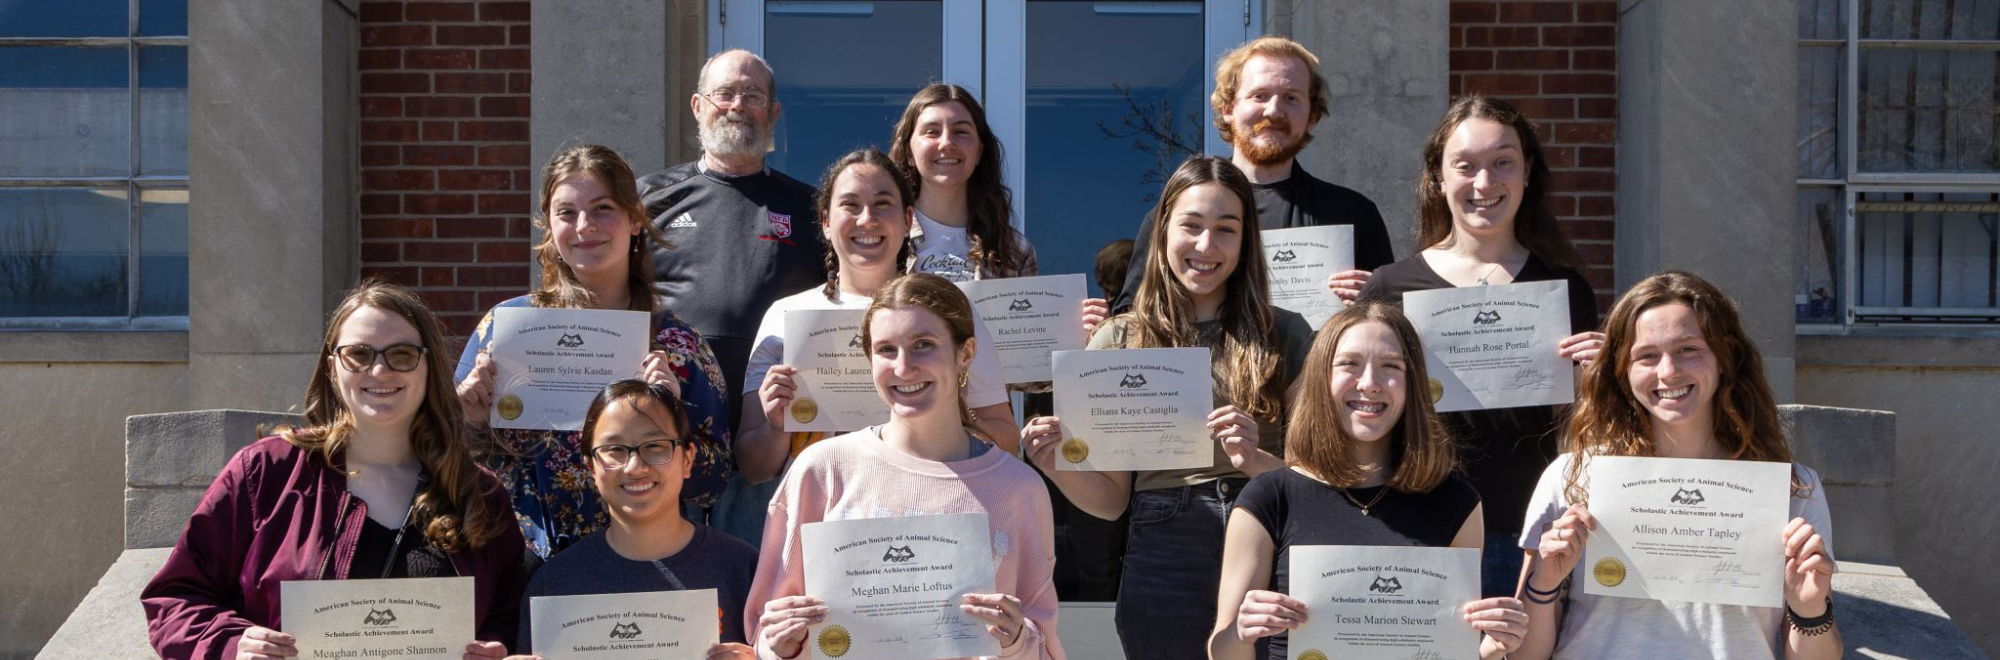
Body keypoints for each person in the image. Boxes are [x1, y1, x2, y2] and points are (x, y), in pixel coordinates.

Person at [1021, 156, 1315, 660]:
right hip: (1165, 546)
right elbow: (1111, 501)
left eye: (1226, 229)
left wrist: (1257, 464)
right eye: (1192, 226)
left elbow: (1322, 483)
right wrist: (1055, 466)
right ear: (1162, 233)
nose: (1206, 246)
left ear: (1246, 241)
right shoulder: (1117, 339)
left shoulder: (1286, 332)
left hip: (1269, 534)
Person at [142, 281, 528, 660]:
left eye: (403, 354)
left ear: (429, 367)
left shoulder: (479, 493)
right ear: (332, 367)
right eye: (358, 354)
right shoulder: (267, 473)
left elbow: (507, 612)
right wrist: (232, 645)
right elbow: (175, 597)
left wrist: (498, 644)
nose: (379, 370)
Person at [1514, 271, 1840, 659]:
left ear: (1726, 354)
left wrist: (1809, 609)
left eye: (1688, 349)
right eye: (1647, 355)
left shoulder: (1792, 488)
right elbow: (1522, 656)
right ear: (1622, 370)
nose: (1668, 372)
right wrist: (1545, 582)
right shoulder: (1572, 476)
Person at [1358, 94, 1604, 597]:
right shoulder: (1389, 288)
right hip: (1419, 528)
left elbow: (1576, 426)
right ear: (1438, 177)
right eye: (1465, 166)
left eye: (1502, 163)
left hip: (1530, 530)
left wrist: (1599, 381)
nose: (1484, 183)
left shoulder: (1565, 289)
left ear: (1527, 171)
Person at [746, 273, 1064, 660]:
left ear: (965, 353)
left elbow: (1044, 647)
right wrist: (777, 645)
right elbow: (764, 633)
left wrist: (1017, 642)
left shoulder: (1018, 488)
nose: (903, 367)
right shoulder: (822, 469)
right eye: (885, 350)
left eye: (923, 345)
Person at [729, 148, 1020, 547]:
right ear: (826, 223)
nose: (867, 219)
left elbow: (1007, 439)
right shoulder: (786, 317)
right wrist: (778, 426)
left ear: (907, 220)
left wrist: (949, 416)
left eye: (883, 204)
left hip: (935, 522)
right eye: (850, 205)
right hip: (824, 529)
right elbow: (754, 466)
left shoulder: (950, 308)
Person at [456, 145, 734, 558]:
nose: (585, 226)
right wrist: (469, 419)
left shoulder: (679, 346)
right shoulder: (505, 328)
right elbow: (450, 462)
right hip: (523, 562)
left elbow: (714, 484)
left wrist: (673, 420)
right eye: (566, 212)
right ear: (548, 227)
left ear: (635, 219)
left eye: (603, 208)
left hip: (642, 562)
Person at [1208, 302, 1528, 660]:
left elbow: (1452, 652)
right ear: (1320, 378)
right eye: (1349, 364)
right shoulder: (1269, 497)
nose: (1370, 384)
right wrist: (1241, 633)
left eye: (1390, 366)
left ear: (1413, 384)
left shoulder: (1457, 502)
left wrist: (1493, 648)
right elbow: (1221, 651)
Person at [1112, 36, 1393, 314]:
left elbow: (1391, 330)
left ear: (1312, 118)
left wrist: (1376, 304)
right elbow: (1132, 318)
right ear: (1228, 109)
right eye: (1259, 96)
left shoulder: (1353, 214)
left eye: (1291, 98)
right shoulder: (1178, 211)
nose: (1273, 110)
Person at [639, 49, 827, 428]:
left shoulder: (811, 209)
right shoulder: (648, 200)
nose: (737, 106)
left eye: (753, 95)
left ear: (773, 113)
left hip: (778, 425)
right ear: (697, 106)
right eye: (724, 94)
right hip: (673, 425)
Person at [505, 380, 756, 660]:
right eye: (614, 449)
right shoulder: (553, 584)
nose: (636, 467)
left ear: (687, 459)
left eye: (655, 446)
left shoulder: (743, 570)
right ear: (591, 468)